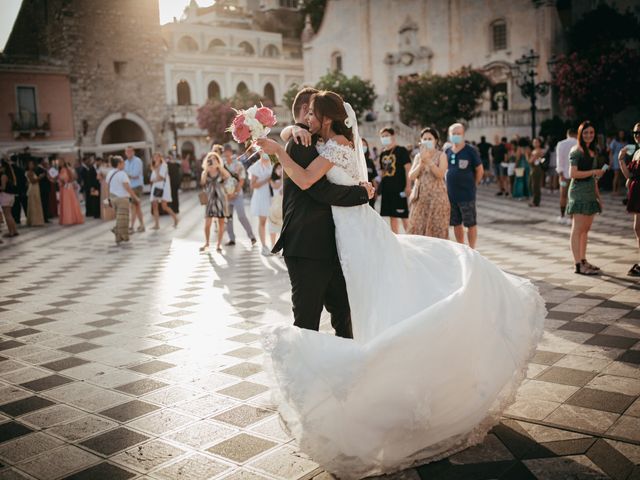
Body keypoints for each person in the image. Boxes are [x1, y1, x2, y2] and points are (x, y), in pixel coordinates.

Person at [256, 90, 545, 479]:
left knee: (369, 304)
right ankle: (348, 386)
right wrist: (290, 134)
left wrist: (278, 148)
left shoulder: (336, 143)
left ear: (326, 118)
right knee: (360, 306)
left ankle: (369, 385)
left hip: (352, 238)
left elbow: (311, 181)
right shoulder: (321, 139)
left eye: (313, 114)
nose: (308, 119)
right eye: (304, 115)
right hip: (345, 238)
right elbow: (317, 175)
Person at [567, 121, 605, 275]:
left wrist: (598, 197)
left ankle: (583, 260)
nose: (589, 135)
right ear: (580, 134)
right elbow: (573, 174)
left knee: (586, 229)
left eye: (591, 132)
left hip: (590, 192)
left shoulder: (592, 151)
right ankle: (577, 265)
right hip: (578, 192)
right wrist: (594, 172)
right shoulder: (576, 151)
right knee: (577, 229)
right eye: (585, 133)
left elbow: (593, 178)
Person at [445, 123, 483, 248]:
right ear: (450, 135)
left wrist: (474, 184)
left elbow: (480, 170)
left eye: (458, 134)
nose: (456, 136)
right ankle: (461, 247)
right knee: (456, 223)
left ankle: (472, 249)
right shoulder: (447, 151)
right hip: (451, 195)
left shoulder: (470, 151)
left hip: (467, 194)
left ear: (463, 135)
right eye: (453, 134)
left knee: (470, 223)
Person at [407, 127, 449, 238]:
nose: (427, 141)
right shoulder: (418, 156)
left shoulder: (441, 155)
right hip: (420, 199)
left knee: (436, 230)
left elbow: (440, 174)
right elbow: (411, 176)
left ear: (435, 140)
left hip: (437, 198)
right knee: (418, 230)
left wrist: (429, 161)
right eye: (424, 138)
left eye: (430, 138)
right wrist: (421, 163)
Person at [378, 127, 411, 233]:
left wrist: (408, 186)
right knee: (392, 216)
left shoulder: (401, 150)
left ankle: (412, 239)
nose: (384, 138)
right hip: (387, 189)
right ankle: (397, 239)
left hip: (400, 188)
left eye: (386, 135)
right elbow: (383, 172)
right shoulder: (383, 154)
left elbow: (408, 169)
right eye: (382, 136)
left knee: (403, 216)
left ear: (393, 136)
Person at [222, 144, 256, 246]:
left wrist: (235, 192)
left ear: (231, 152)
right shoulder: (222, 165)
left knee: (241, 216)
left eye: (227, 151)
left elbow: (241, 180)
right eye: (224, 151)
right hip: (227, 196)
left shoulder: (238, 164)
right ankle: (231, 238)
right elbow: (220, 181)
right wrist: (226, 193)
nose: (226, 153)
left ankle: (251, 236)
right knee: (228, 217)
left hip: (237, 195)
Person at [617, 122, 640, 276]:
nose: (637, 135)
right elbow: (629, 175)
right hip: (637, 192)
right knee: (637, 228)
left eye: (639, 132)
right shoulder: (637, 153)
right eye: (635, 133)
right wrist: (621, 160)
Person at [106, 155, 140, 244]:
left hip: (113, 197)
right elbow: (127, 187)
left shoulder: (110, 173)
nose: (124, 164)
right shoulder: (122, 174)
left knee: (119, 218)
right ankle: (123, 235)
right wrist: (135, 197)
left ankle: (118, 237)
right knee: (124, 219)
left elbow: (108, 186)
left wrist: (108, 198)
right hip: (122, 198)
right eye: (122, 162)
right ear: (119, 164)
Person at [201, 152, 230, 252]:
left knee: (221, 223)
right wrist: (206, 170)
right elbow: (202, 182)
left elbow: (228, 176)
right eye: (210, 159)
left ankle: (218, 244)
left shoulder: (221, 171)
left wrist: (219, 167)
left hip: (220, 200)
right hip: (210, 201)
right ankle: (207, 243)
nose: (212, 160)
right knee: (207, 224)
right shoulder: (205, 172)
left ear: (218, 160)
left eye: (214, 159)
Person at [247, 153, 274, 255]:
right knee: (262, 222)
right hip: (261, 197)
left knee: (273, 221)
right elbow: (253, 185)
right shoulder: (256, 167)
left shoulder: (272, 164)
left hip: (272, 196)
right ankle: (263, 246)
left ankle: (274, 245)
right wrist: (266, 179)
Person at [149, 153, 178, 230]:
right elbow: (151, 179)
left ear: (160, 157)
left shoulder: (164, 166)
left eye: (157, 157)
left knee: (164, 206)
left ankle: (175, 219)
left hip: (163, 187)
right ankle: (156, 224)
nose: (155, 158)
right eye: (154, 157)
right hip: (155, 187)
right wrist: (155, 168)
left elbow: (161, 177)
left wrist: (157, 169)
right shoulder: (153, 166)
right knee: (154, 205)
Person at [556, 128, 578, 225]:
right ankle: (571, 217)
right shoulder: (578, 143)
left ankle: (562, 216)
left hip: (564, 175)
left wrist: (560, 174)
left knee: (563, 195)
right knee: (573, 196)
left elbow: (559, 160)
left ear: (567, 134)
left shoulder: (561, 144)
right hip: (575, 175)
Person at [124, 146, 145, 232]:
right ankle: (142, 225)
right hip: (129, 187)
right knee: (137, 207)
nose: (128, 153)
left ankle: (132, 226)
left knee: (133, 206)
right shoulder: (125, 162)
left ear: (133, 152)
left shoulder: (137, 161)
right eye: (127, 152)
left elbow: (135, 174)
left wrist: (126, 175)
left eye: (130, 151)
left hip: (137, 186)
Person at [58, 161, 84, 226]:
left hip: (65, 187)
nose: (59, 163)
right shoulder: (69, 169)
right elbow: (73, 178)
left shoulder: (63, 170)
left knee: (67, 203)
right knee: (72, 201)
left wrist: (61, 181)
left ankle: (68, 218)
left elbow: (64, 178)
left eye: (60, 162)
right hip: (69, 187)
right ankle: (74, 217)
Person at [0, 158, 19, 237]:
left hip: (5, 196)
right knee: (10, 214)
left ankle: (11, 232)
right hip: (11, 196)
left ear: (4, 167)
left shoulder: (4, 176)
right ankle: (14, 230)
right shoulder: (10, 175)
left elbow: (3, 188)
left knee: (7, 215)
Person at [268, 162, 284, 248]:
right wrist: (282, 177)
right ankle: (273, 245)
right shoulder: (272, 179)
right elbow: (276, 187)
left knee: (283, 226)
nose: (280, 170)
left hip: (283, 204)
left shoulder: (286, 179)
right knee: (272, 225)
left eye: (281, 168)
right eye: (278, 168)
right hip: (274, 204)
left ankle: (283, 246)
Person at [25, 160, 44, 227]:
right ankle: (34, 221)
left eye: (32, 164)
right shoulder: (29, 172)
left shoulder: (33, 172)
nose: (31, 166)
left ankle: (37, 220)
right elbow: (32, 181)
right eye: (30, 164)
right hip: (33, 189)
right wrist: (40, 177)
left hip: (36, 188)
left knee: (36, 204)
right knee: (34, 204)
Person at [610, 130, 628, 195]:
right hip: (616, 159)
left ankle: (618, 190)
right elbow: (611, 152)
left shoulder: (625, 142)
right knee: (616, 175)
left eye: (622, 134)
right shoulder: (614, 141)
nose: (621, 135)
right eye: (620, 134)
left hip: (623, 159)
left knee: (621, 175)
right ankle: (614, 190)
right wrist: (611, 161)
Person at [10, 159, 27, 225]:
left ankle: (17, 219)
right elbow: (24, 180)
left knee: (16, 206)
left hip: (14, 190)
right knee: (24, 204)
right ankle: (27, 216)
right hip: (22, 190)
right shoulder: (20, 169)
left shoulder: (11, 171)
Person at [528, 137, 545, 207]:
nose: (534, 143)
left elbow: (530, 161)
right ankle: (535, 201)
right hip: (533, 168)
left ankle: (536, 202)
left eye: (536, 142)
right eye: (534, 142)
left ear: (539, 143)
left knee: (535, 186)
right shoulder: (534, 150)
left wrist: (529, 157)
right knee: (533, 185)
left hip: (536, 169)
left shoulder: (539, 151)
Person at [362, 137, 378, 208]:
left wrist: (376, 192)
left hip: (370, 192)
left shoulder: (370, 162)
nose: (363, 147)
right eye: (361, 145)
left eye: (364, 145)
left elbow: (374, 178)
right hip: (359, 192)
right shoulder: (355, 161)